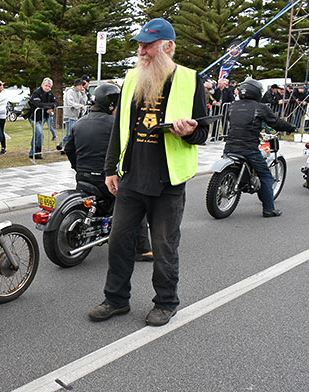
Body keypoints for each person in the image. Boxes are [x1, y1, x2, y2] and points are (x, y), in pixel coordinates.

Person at [88, 18, 208, 327]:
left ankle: (166, 302)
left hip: (168, 181)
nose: (142, 50)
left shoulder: (190, 80)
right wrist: (110, 169)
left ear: (168, 46)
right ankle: (116, 299)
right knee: (118, 241)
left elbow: (202, 133)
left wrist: (187, 132)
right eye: (140, 44)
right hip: (131, 176)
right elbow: (120, 127)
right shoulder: (132, 78)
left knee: (165, 246)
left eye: (148, 45)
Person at [64, 83, 153, 262]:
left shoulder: (79, 123)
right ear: (111, 104)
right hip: (107, 180)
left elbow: (68, 148)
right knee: (137, 205)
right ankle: (142, 249)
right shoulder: (116, 124)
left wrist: (78, 168)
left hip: (83, 179)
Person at [224, 79, 296, 217]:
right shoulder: (260, 107)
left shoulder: (232, 106)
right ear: (257, 92)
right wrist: (290, 127)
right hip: (249, 149)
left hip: (230, 147)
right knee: (266, 176)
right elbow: (275, 122)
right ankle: (269, 209)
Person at [27, 77, 57, 159]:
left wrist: (51, 107)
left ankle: (33, 152)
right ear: (42, 85)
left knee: (36, 134)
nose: (47, 88)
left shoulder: (50, 93)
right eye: (46, 85)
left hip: (43, 117)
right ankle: (37, 151)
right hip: (33, 117)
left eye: (49, 86)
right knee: (40, 133)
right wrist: (49, 106)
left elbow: (55, 102)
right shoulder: (36, 92)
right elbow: (38, 104)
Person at [58, 78, 87, 151]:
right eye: (80, 85)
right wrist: (80, 106)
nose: (82, 87)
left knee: (71, 133)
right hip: (69, 115)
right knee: (69, 134)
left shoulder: (79, 93)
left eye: (82, 85)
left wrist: (84, 94)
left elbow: (83, 102)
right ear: (76, 85)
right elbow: (70, 103)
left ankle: (61, 145)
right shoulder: (69, 92)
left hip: (75, 116)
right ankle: (64, 147)